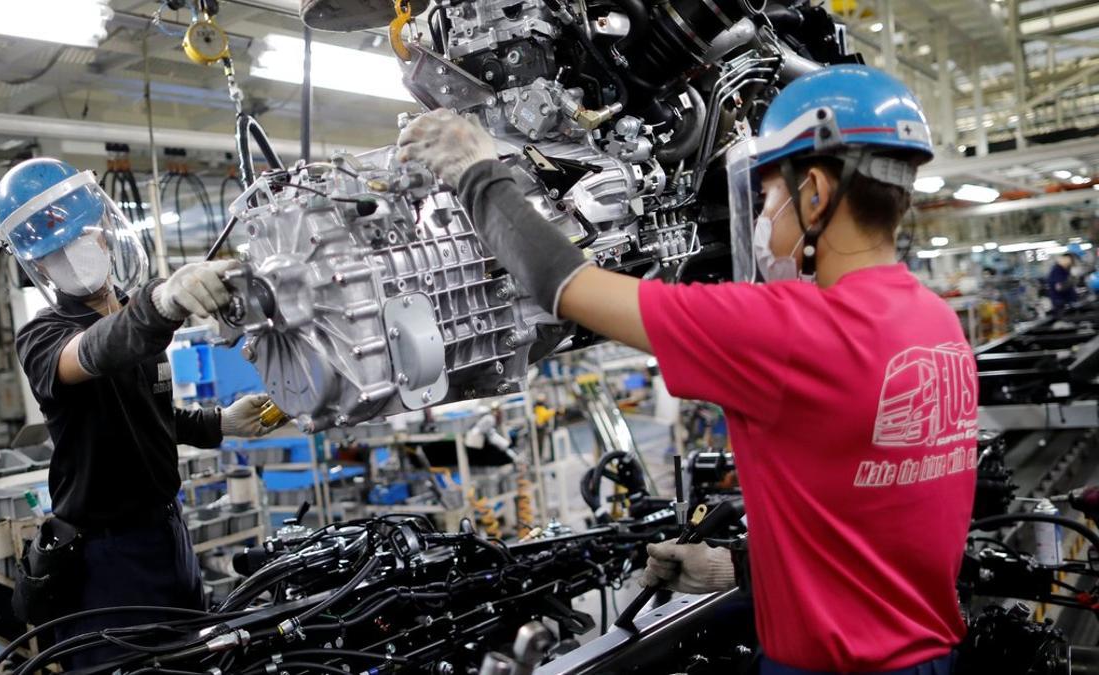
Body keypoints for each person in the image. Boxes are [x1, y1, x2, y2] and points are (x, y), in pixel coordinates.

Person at [398, 65, 978, 674]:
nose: (765, 215)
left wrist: (476, 173)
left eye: (771, 196)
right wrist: (738, 568)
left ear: (814, 193)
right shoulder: (937, 326)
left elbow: (563, 284)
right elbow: (872, 527)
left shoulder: (787, 328)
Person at [0, 158, 275, 667]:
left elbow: (152, 415)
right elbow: (93, 354)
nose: (72, 256)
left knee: (197, 658)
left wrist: (220, 422)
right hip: (105, 558)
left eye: (80, 238)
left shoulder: (136, 320)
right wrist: (159, 304)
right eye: (54, 253)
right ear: (37, 266)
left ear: (104, 236)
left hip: (169, 534)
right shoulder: (43, 337)